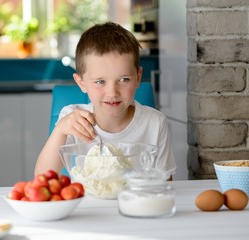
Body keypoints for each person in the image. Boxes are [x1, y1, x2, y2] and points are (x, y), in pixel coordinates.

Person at [35, 22, 176, 179]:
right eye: (100, 81)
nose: (112, 92)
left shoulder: (155, 123)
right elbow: (42, 178)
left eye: (124, 79)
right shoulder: (73, 119)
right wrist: (60, 130)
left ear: (138, 77)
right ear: (81, 83)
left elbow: (165, 184)